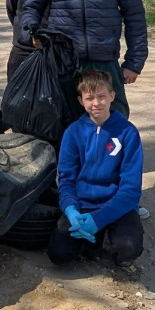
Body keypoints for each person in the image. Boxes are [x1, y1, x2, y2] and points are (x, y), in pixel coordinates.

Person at [47, 69, 144, 267]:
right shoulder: (73, 132)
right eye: (89, 98)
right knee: (59, 254)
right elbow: (66, 180)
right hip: (82, 204)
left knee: (129, 248)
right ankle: (90, 237)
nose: (96, 103)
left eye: (101, 96)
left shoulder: (128, 132)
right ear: (81, 101)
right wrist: (71, 210)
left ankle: (104, 233)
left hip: (116, 203)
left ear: (112, 96)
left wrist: (99, 219)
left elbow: (131, 189)